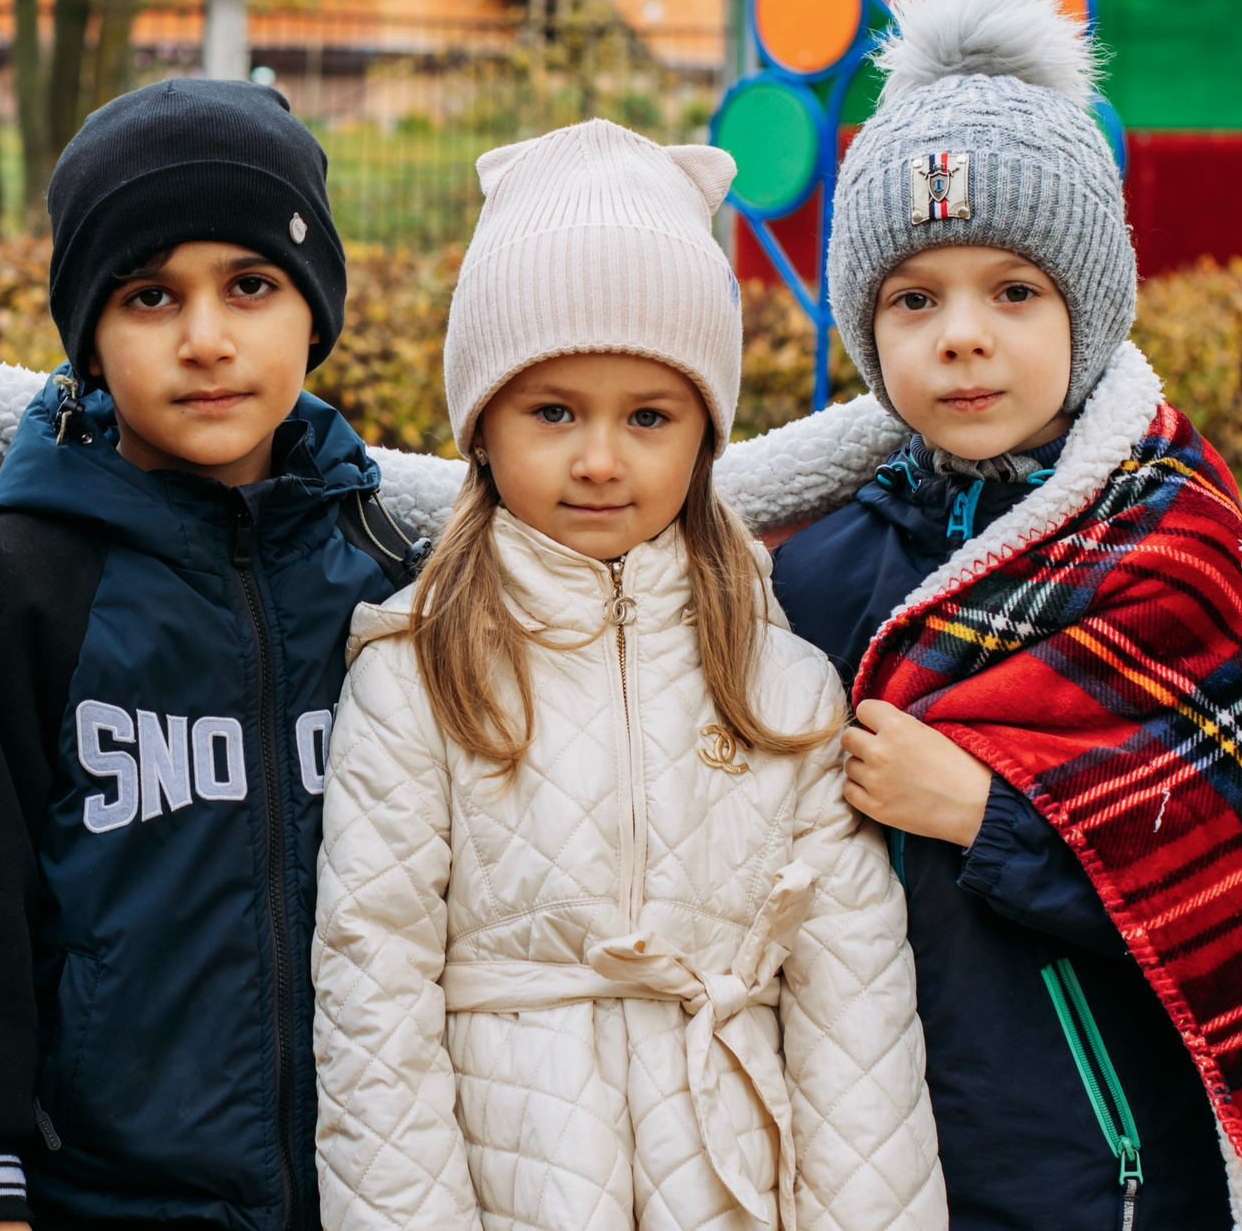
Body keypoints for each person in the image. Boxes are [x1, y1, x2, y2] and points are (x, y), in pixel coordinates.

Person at [759, 0, 1242, 1231]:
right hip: (879, 1142)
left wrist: (992, 814)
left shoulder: (1171, 547)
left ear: (1087, 307)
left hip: (1108, 1160)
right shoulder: (813, 565)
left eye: (1013, 291)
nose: (961, 334)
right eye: (913, 299)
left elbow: (1228, 873)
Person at [313, 119, 945, 1231]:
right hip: (513, 1186)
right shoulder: (417, 670)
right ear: (481, 428)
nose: (599, 459)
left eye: (648, 416)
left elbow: (857, 1016)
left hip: (734, 1186)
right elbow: (373, 995)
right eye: (552, 411)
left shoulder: (779, 682)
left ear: (703, 434)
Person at [0, 78, 423, 1231]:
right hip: (102, 1195)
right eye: (148, 295)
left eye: (251, 285)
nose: (206, 338)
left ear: (313, 313)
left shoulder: (383, 568)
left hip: (377, 1187)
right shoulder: (27, 574)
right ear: (90, 333)